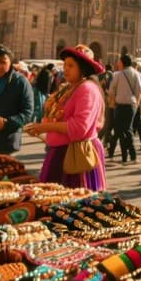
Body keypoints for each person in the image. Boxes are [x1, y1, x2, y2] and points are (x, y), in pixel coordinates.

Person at [25, 45, 107, 190]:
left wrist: (44, 127)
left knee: (71, 204)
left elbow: (79, 128)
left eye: (71, 65)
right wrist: (41, 129)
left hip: (76, 155)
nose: (65, 69)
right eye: (64, 65)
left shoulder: (87, 89)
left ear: (83, 68)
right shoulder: (70, 87)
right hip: (61, 152)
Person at [108, 54, 141, 163]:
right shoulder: (136, 74)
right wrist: (137, 103)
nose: (118, 64)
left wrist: (112, 103)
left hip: (119, 105)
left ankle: (122, 156)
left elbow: (111, 90)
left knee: (119, 130)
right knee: (128, 129)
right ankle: (131, 156)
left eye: (119, 62)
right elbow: (139, 90)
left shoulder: (118, 75)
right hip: (132, 105)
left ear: (123, 62)